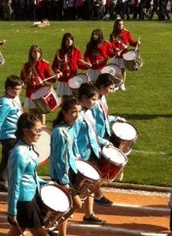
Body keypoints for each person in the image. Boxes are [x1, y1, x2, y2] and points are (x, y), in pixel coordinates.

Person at [0, 113, 63, 236]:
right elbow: (14, 183)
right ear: (25, 131)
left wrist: (48, 183)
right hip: (24, 200)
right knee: (41, 235)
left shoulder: (30, 148)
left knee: (16, 232)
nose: (40, 134)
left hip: (31, 196)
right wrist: (12, 210)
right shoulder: (18, 153)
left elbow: (32, 175)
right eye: (37, 131)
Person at [47, 98, 82, 236]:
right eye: (73, 112)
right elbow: (59, 159)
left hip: (69, 172)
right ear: (64, 113)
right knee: (75, 205)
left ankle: (61, 235)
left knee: (67, 206)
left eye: (78, 112)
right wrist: (64, 180)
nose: (76, 115)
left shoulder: (69, 128)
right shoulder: (60, 132)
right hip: (62, 175)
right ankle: (49, 224)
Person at [74, 83, 110, 225]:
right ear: (84, 98)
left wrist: (103, 143)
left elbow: (92, 133)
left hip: (91, 153)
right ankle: (59, 216)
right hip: (81, 156)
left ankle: (89, 214)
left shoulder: (88, 112)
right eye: (93, 99)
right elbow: (73, 138)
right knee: (76, 189)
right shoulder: (77, 115)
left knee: (89, 185)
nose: (95, 102)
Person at [92, 73, 124, 205]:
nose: (111, 91)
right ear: (101, 87)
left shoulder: (102, 98)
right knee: (96, 169)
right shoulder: (93, 103)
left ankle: (95, 194)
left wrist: (115, 118)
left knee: (99, 169)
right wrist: (104, 141)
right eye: (109, 88)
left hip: (104, 135)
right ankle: (97, 195)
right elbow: (91, 125)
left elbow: (104, 117)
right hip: (96, 139)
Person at [0, 75, 24, 192]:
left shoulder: (14, 98)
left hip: (16, 134)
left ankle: (3, 181)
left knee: (9, 158)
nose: (19, 92)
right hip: (8, 135)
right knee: (9, 158)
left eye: (20, 89)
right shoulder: (4, 103)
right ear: (8, 89)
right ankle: (2, 182)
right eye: (16, 89)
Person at [19, 44, 59, 126]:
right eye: (34, 52)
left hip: (41, 92)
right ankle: (34, 128)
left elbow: (49, 77)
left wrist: (56, 76)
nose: (36, 54)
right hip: (31, 93)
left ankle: (43, 129)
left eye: (38, 52)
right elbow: (22, 80)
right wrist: (27, 78)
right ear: (31, 53)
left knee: (41, 113)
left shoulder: (44, 64)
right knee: (32, 114)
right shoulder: (26, 66)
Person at [52, 33, 89, 103]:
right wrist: (58, 71)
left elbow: (79, 64)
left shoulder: (77, 51)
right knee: (64, 99)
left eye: (71, 39)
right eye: (67, 40)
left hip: (73, 79)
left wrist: (86, 66)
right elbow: (54, 65)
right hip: (63, 79)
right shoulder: (59, 52)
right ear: (64, 41)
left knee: (73, 99)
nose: (69, 41)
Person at [108, 19, 140, 91]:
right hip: (116, 55)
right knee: (116, 70)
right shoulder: (112, 34)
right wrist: (116, 49)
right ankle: (116, 84)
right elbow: (111, 45)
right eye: (119, 24)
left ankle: (122, 84)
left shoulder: (127, 32)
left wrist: (137, 43)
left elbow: (131, 42)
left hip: (124, 54)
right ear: (116, 25)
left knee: (122, 69)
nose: (121, 26)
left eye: (122, 24)